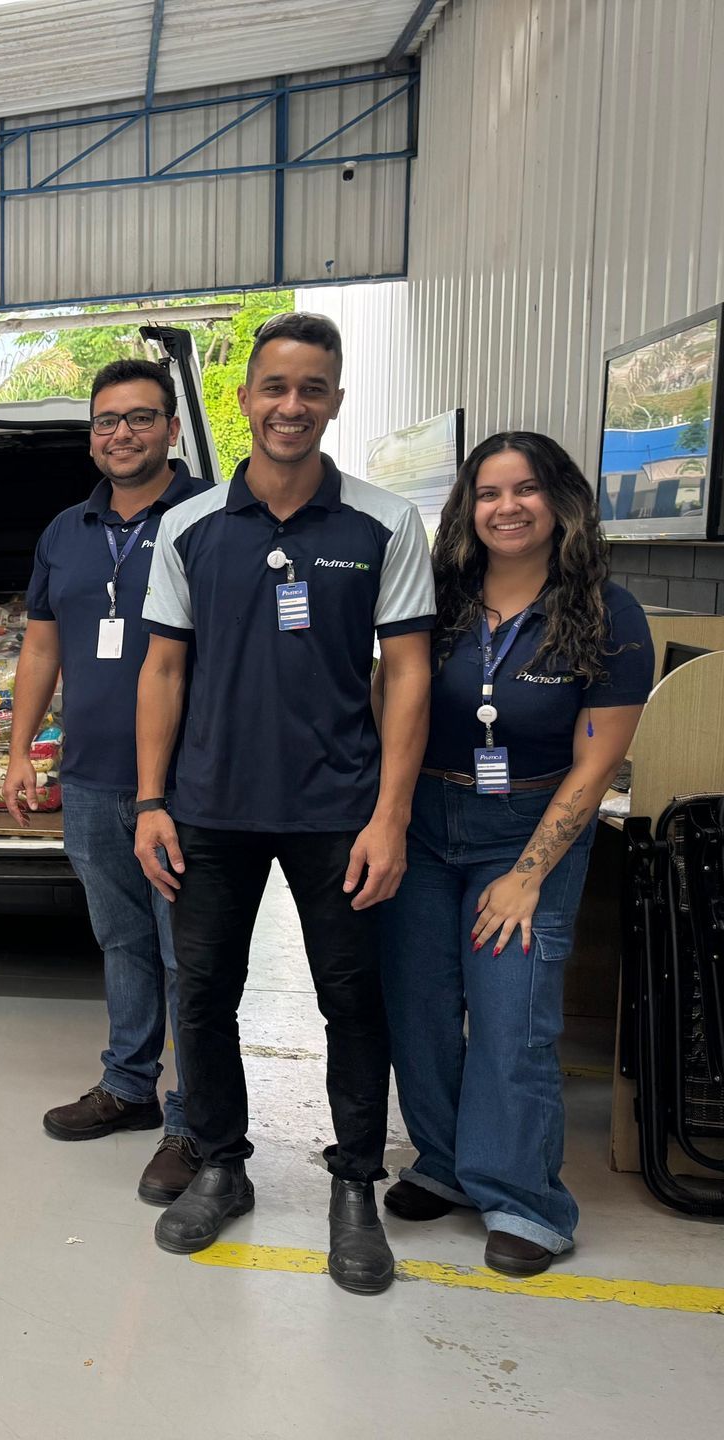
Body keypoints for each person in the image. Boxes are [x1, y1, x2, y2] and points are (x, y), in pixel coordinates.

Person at [134, 312, 435, 1295]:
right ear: (246, 398)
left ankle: (355, 1183)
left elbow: (407, 674)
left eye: (312, 389)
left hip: (338, 814)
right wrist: (150, 799)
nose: (291, 405)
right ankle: (221, 1165)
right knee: (204, 995)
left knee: (351, 1001)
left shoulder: (385, 523)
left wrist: (389, 816)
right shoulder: (187, 527)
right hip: (209, 810)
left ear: (334, 402)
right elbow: (164, 670)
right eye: (275, 387)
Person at [378, 433, 651, 1277]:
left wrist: (530, 873)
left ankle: (527, 1201)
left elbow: (598, 760)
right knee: (419, 1007)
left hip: (529, 825)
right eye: (489, 493)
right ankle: (448, 1165)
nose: (507, 508)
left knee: (511, 1017)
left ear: (560, 499)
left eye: (526, 489)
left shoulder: (608, 611)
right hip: (424, 819)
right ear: (468, 507)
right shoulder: (439, 596)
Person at [6, 358, 214, 1205]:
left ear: (171, 427)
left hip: (188, 784)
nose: (120, 433)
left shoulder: (209, 517)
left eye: (139, 418)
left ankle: (194, 1120)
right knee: (123, 940)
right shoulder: (64, 530)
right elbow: (42, 648)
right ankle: (129, 1086)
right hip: (91, 778)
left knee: (188, 953)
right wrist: (22, 750)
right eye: (106, 421)